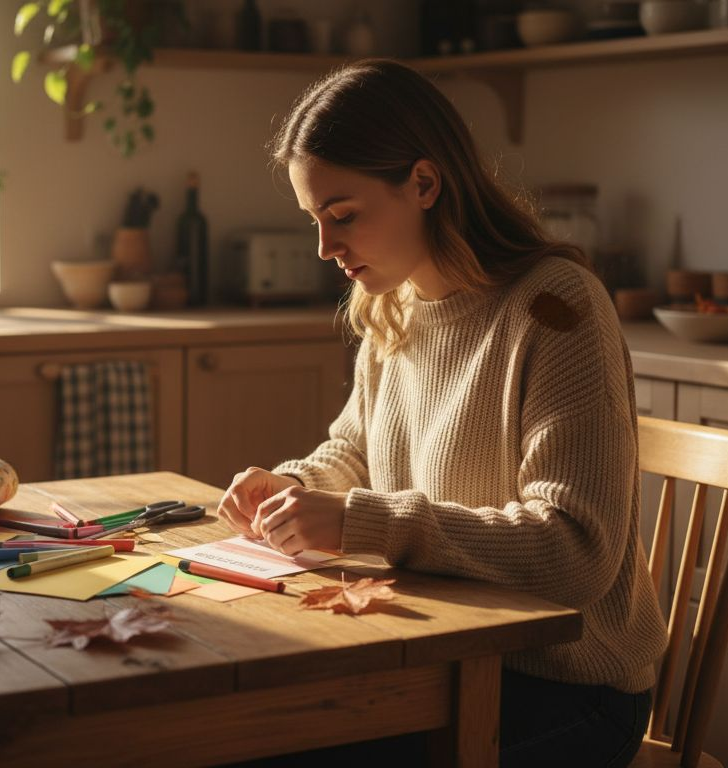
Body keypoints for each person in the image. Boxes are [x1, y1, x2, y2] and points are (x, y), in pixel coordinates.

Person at [217, 59, 667, 768]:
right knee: (245, 731)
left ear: (424, 184)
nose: (325, 248)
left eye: (343, 216)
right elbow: (355, 448)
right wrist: (295, 484)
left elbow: (576, 552)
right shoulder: (391, 304)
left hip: (569, 687)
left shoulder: (556, 308)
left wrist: (361, 520)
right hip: (441, 650)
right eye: (315, 220)